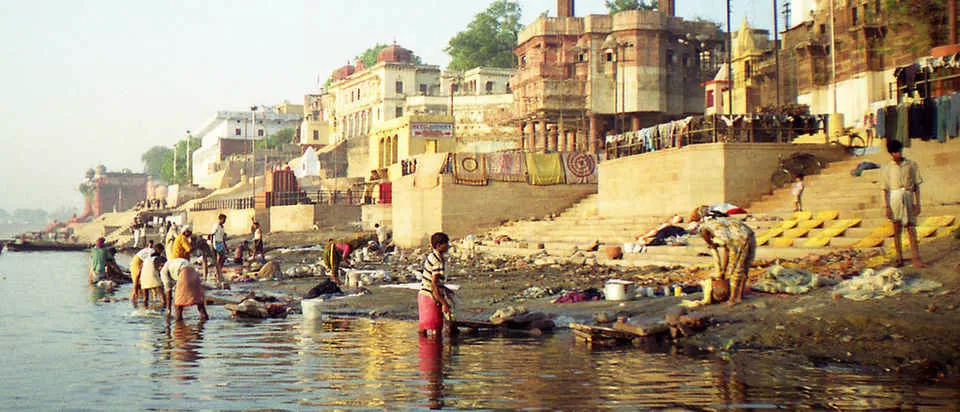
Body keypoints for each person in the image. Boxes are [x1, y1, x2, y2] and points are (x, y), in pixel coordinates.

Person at [692, 206, 756, 306]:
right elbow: (726, 250)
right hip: (749, 234)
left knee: (735, 269)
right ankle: (739, 296)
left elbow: (705, 233)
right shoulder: (721, 223)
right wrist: (723, 270)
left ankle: (732, 299)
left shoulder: (705, 227)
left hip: (739, 239)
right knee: (744, 267)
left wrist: (710, 244)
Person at [881, 139, 927, 268]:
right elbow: (885, 189)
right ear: (891, 153)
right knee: (896, 228)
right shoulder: (887, 168)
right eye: (894, 152)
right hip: (894, 197)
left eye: (898, 152)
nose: (897, 155)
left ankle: (916, 259)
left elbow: (916, 186)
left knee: (911, 228)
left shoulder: (911, 165)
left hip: (908, 195)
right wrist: (887, 207)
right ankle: (899, 258)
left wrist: (917, 203)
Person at [418, 232, 455, 337]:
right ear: (439, 246)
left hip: (423, 295)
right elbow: (434, 284)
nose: (448, 246)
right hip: (431, 297)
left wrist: (445, 290)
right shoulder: (437, 261)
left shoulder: (431, 256)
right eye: (446, 243)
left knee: (423, 328)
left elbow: (434, 282)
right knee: (435, 330)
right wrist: (444, 303)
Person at [130, 242, 159, 307]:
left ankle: (140, 301)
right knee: (138, 282)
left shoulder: (151, 251)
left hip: (138, 262)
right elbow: (149, 262)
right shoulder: (151, 252)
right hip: (137, 263)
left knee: (141, 284)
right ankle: (134, 298)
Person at [210, 214, 228, 283]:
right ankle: (217, 272)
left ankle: (218, 271)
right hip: (216, 243)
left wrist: (225, 246)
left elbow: (223, 238)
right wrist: (212, 244)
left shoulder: (222, 227)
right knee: (220, 257)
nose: (224, 221)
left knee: (222, 258)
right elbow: (212, 234)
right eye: (223, 219)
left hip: (220, 243)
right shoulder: (216, 225)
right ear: (220, 219)